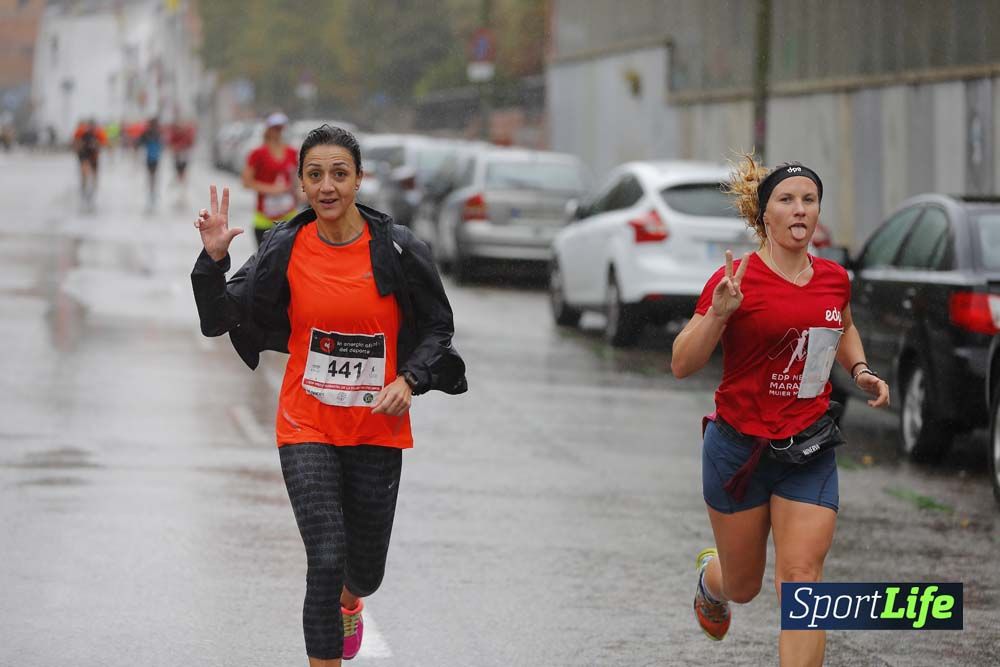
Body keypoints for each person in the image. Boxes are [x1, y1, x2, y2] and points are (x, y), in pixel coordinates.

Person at [191, 124, 467, 665]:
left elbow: (439, 329)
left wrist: (409, 380)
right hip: (305, 423)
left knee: (364, 570)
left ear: (359, 180)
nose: (327, 186)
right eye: (315, 175)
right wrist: (213, 261)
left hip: (376, 427)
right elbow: (218, 318)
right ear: (300, 184)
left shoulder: (398, 249)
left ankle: (351, 600)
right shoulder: (285, 247)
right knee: (324, 557)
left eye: (340, 174)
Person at [670, 156, 890, 666]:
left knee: (803, 582)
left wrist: (859, 370)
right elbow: (683, 363)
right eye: (787, 200)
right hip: (738, 448)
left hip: (807, 447)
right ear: (764, 215)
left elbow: (843, 325)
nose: (800, 210)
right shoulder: (734, 279)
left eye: (809, 200)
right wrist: (719, 316)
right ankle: (712, 581)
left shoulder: (834, 278)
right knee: (744, 586)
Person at [243, 111, 300, 247]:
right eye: (275, 128)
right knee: (265, 263)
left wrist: (299, 192)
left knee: (288, 262)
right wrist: (271, 190)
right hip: (264, 218)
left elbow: (296, 180)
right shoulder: (258, 153)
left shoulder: (292, 152)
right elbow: (246, 182)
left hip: (289, 216)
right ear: (268, 129)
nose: (278, 132)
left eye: (281, 128)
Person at [72, 118, 106, 209]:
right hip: (85, 156)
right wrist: (79, 147)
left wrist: (97, 144)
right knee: (85, 173)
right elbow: (76, 143)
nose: (92, 128)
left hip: (94, 157)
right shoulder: (83, 133)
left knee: (94, 175)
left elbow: (104, 143)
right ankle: (84, 190)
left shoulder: (98, 133)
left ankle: (92, 191)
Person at [168, 119, 196, 205]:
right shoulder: (175, 133)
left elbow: (191, 143)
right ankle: (180, 194)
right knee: (179, 175)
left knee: (183, 175)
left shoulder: (186, 134)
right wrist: (175, 148)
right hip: (177, 157)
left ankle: (182, 195)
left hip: (184, 157)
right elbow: (170, 144)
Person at [139, 117, 163, 209]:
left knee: (152, 176)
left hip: (154, 157)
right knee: (151, 176)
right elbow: (140, 141)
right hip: (150, 157)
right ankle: (151, 193)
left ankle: (152, 193)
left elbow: (162, 144)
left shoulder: (157, 133)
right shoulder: (148, 133)